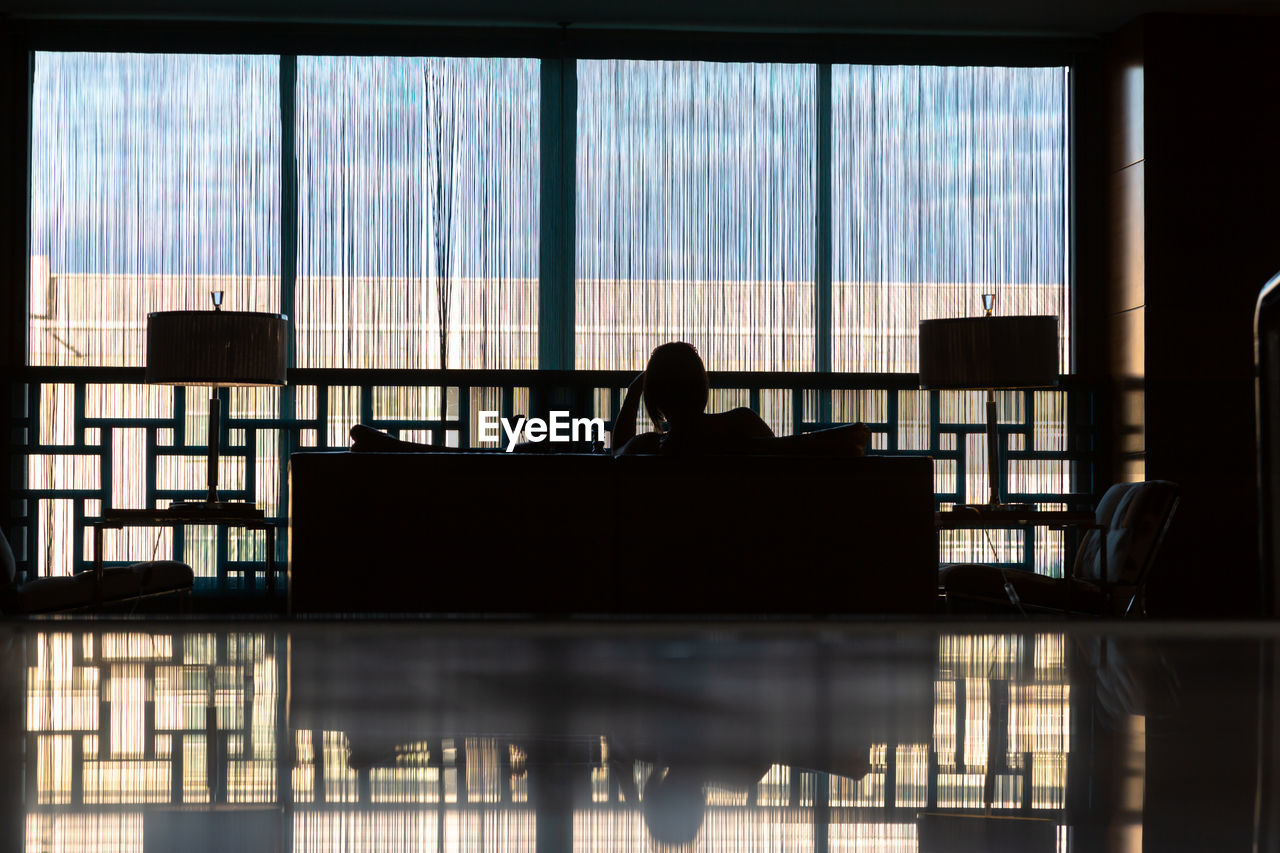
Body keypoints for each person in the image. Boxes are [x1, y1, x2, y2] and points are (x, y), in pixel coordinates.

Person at [612, 342, 775, 456]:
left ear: (656, 399)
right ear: (702, 386)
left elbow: (618, 451)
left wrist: (634, 389)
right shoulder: (743, 423)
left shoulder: (649, 446)